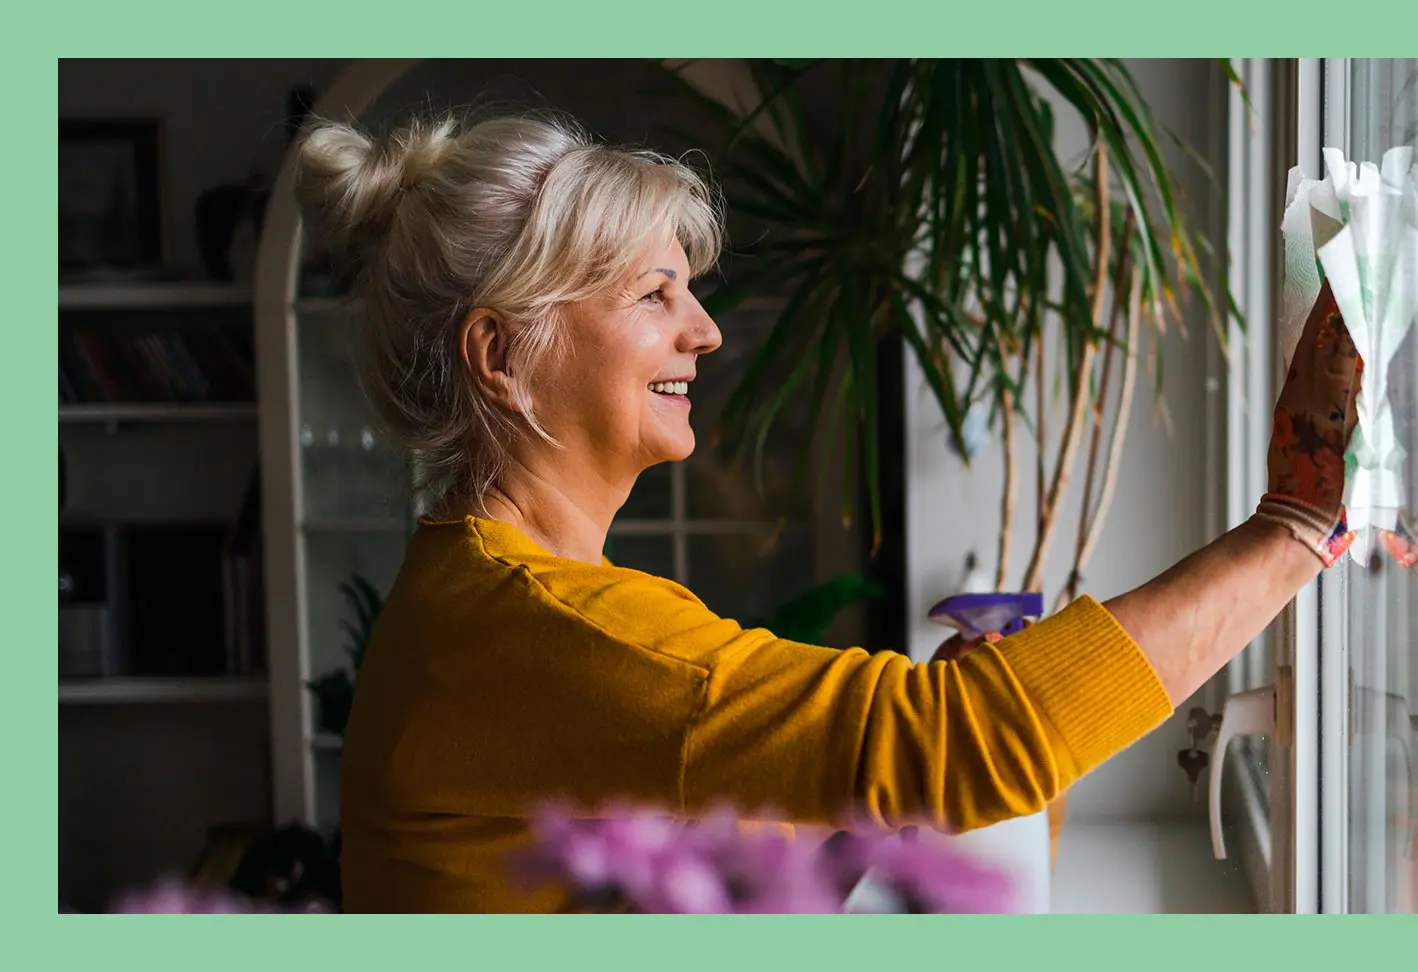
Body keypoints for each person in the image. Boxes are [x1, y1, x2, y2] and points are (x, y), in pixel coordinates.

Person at [296, 112, 1362, 912]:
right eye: (652, 294)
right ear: (502, 355)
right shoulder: (541, 627)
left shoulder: (491, 594)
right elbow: (957, 749)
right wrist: (1295, 524)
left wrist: (870, 793)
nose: (705, 333)